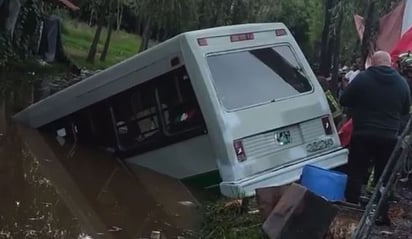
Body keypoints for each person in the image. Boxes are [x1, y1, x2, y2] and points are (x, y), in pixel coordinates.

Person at [340, 51, 411, 225]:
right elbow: (405, 110)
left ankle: (351, 208)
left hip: (363, 134)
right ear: (391, 64)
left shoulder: (363, 79)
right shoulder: (402, 84)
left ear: (372, 63)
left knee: (356, 170)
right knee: (383, 175)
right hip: (389, 136)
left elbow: (344, 100)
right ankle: (381, 212)